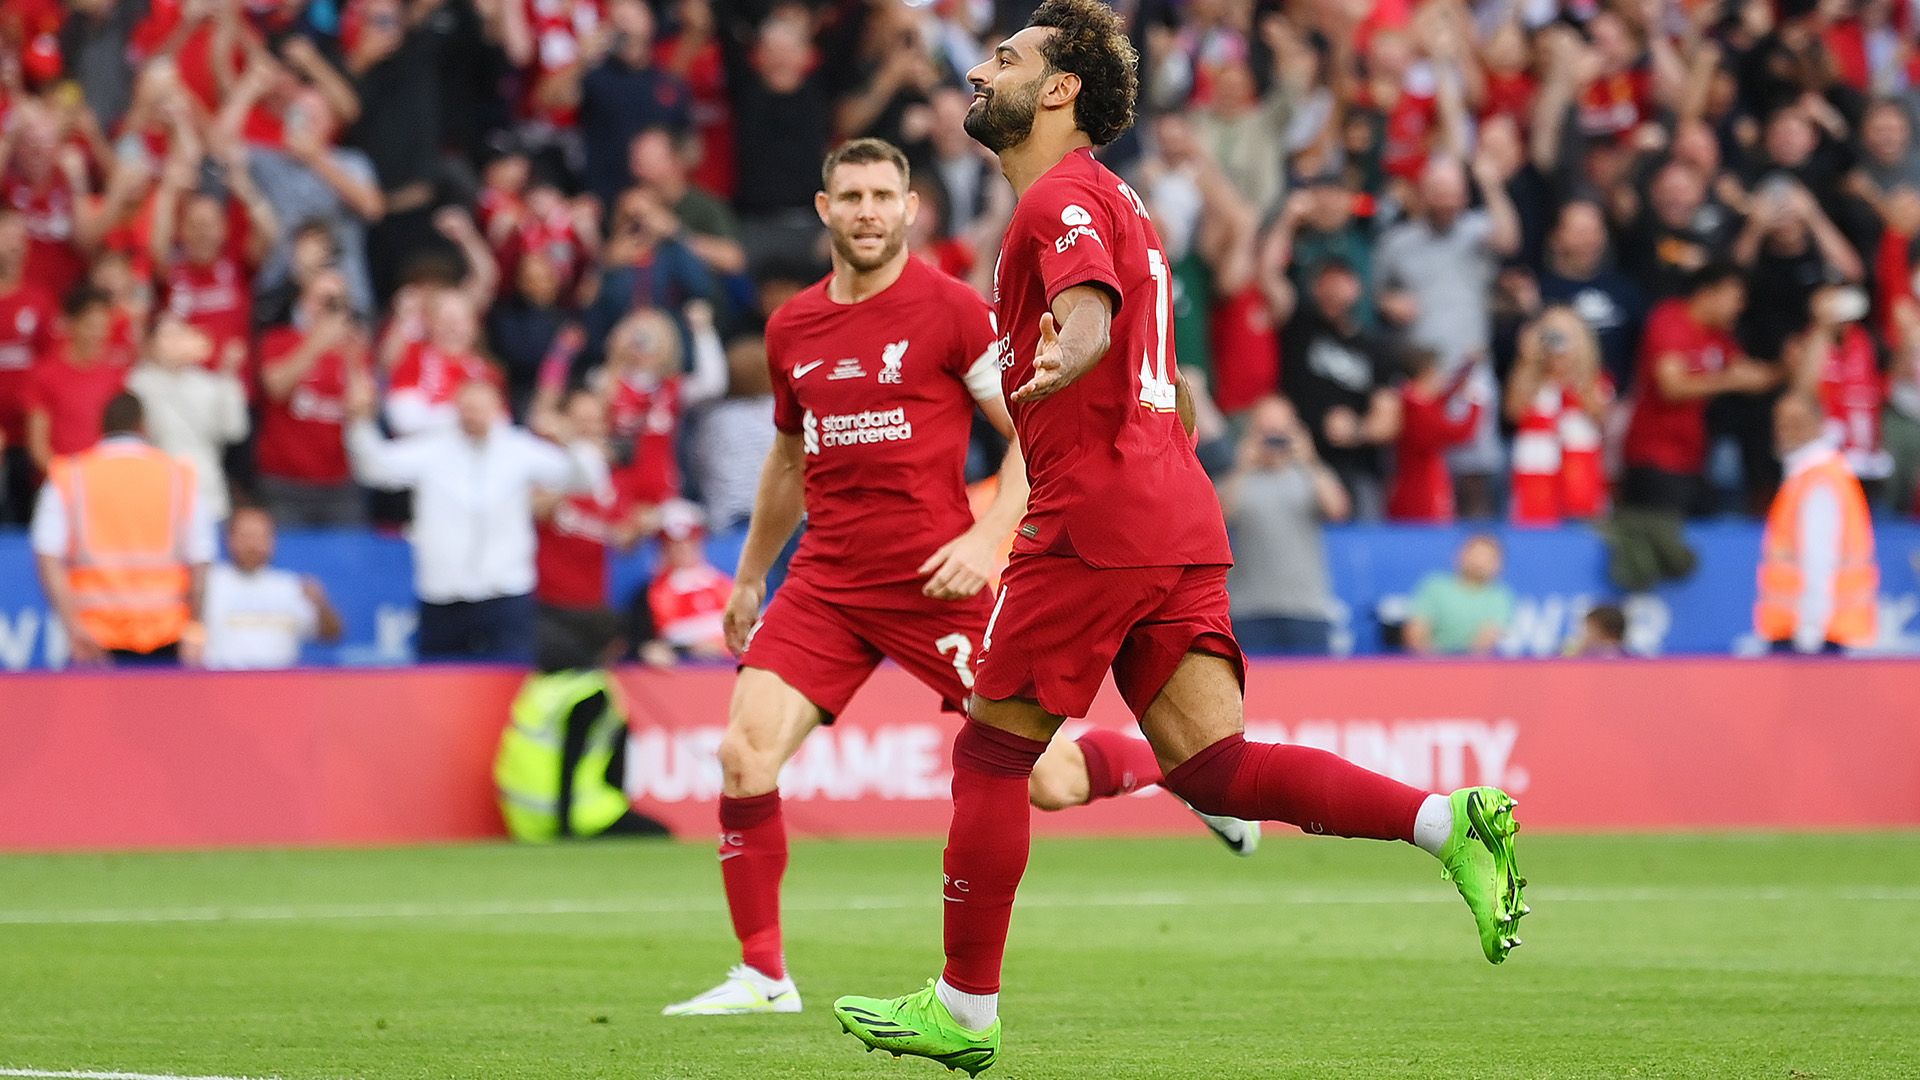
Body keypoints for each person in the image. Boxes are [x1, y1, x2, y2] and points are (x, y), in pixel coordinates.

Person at [834, 5, 1527, 1071]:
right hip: (1173, 506)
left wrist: (1069, 356)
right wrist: (1116, 402)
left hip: (1096, 516)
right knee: (1211, 768)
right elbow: (1181, 389)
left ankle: (964, 1014)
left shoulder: (1059, 199)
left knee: (990, 751)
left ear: (1059, 92)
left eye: (1007, 59)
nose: (980, 69)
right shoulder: (1123, 200)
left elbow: (1094, 313)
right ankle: (1448, 822)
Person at [663, 138, 1255, 1021]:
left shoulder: (950, 312)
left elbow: (1031, 424)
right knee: (745, 755)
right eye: (850, 195)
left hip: (937, 575)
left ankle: (1175, 772)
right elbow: (788, 460)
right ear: (825, 210)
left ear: (910, 211)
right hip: (826, 580)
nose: (867, 210)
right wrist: (750, 576)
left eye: (883, 195)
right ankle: (763, 976)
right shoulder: (791, 328)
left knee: (1047, 782)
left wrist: (988, 535)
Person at [345, 377, 611, 663]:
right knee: (438, 691)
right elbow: (375, 467)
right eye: (466, 408)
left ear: (497, 409)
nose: (473, 417)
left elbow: (583, 480)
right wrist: (360, 422)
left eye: (480, 409)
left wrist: (573, 440)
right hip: (443, 596)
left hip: (505, 593)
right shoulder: (434, 448)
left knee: (507, 689)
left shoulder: (518, 448)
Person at [30, 393, 214, 666]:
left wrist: (72, 626)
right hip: (167, 635)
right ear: (144, 426)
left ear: (101, 427)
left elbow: (48, 559)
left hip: (92, 638)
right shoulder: (180, 478)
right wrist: (196, 629)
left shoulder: (70, 476)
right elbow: (200, 562)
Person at [494, 607, 669, 842]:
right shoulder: (589, 692)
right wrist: (565, 830)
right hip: (568, 814)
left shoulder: (544, 682)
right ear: (612, 645)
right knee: (659, 836)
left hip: (523, 817)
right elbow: (570, 760)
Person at [1620, 263, 1780, 515]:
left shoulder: (1718, 337)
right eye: (1735, 298)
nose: (1740, 306)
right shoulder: (1670, 319)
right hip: (1655, 458)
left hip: (1694, 459)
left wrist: (1787, 367)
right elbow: (1672, 386)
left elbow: (1753, 376)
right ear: (1708, 294)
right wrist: (1730, 380)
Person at [1217, 397, 1348, 655]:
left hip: (1306, 608)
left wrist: (1310, 460)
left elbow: (1338, 510)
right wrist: (1241, 466)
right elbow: (1217, 517)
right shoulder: (1237, 479)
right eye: (1266, 430)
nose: (1273, 439)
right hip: (1249, 610)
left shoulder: (1309, 476)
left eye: (1281, 430)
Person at [1754, 392, 1879, 654]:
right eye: (1781, 422)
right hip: (1806, 629)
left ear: (1819, 423)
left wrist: (1810, 628)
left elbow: (1820, 559)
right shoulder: (1807, 475)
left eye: (1797, 422)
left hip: (1813, 634)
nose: (1786, 431)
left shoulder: (1820, 479)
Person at [126, 317, 250, 522]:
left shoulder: (210, 384)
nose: (175, 342)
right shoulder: (139, 383)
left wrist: (228, 375)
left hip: (206, 490)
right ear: (151, 344)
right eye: (167, 336)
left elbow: (235, 431)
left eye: (180, 334)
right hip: (157, 491)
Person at [201, 505, 344, 670]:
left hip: (280, 686)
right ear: (228, 539)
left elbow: (331, 634)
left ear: (273, 540)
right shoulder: (208, 583)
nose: (253, 545)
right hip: (222, 683)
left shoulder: (291, 587)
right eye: (246, 536)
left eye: (260, 536)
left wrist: (321, 604)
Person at [1403, 534, 1516, 657]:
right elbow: (1416, 633)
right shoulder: (1434, 585)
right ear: (1460, 555)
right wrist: (1435, 663)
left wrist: (1461, 670)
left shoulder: (1500, 595)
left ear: (1498, 564)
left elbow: (1484, 643)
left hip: (1472, 669)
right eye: (1476, 554)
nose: (1480, 562)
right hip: (1428, 665)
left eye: (1488, 557)